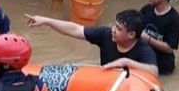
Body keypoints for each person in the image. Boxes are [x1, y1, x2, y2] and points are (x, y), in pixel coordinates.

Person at [25, 9, 159, 76]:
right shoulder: (105, 34)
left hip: (128, 89)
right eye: (114, 25)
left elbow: (154, 71)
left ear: (131, 35)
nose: (113, 30)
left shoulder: (144, 50)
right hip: (105, 83)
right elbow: (75, 29)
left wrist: (126, 63)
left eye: (118, 29)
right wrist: (47, 21)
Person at [140, 0, 179, 75]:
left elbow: (169, 48)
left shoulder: (174, 19)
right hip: (144, 58)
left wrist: (148, 39)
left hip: (162, 65)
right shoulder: (146, 10)